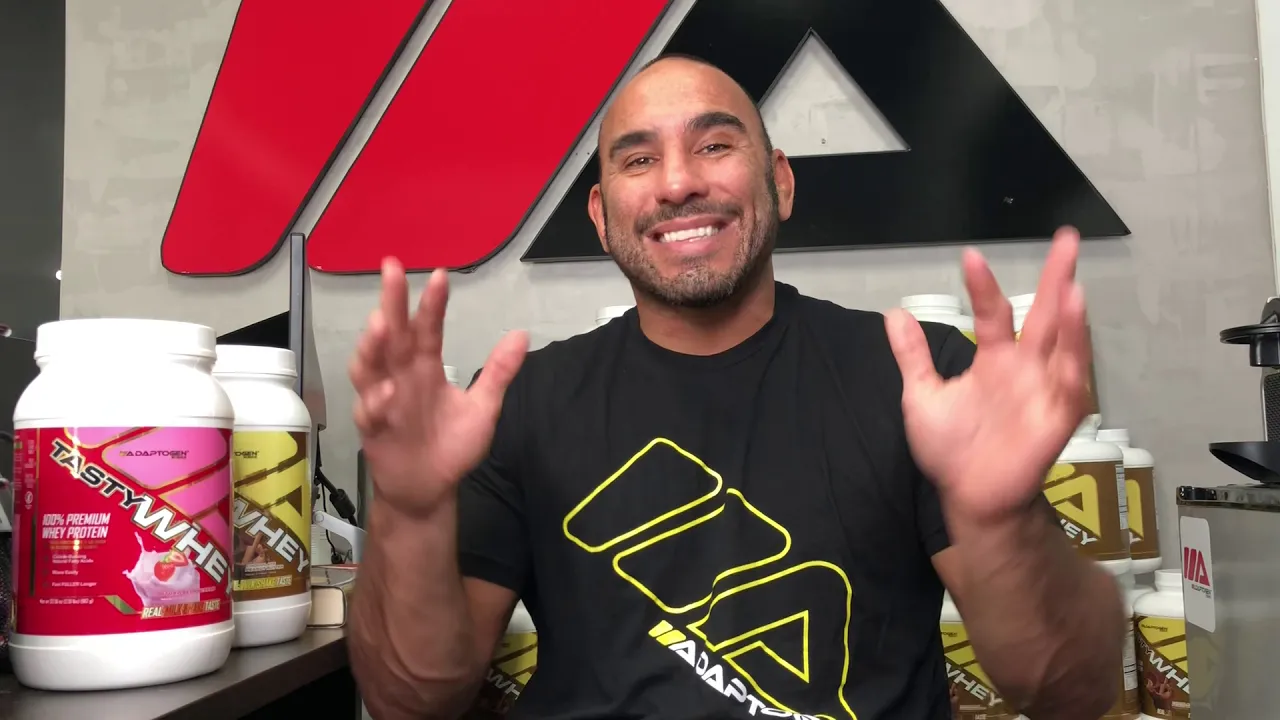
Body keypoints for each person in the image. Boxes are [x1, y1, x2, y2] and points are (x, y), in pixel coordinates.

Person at [346, 54, 1125, 720]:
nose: (678, 182)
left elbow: (1073, 692)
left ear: (779, 183)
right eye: (638, 160)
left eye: (714, 144)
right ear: (602, 216)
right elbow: (411, 701)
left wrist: (998, 520)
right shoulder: (523, 404)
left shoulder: (919, 379)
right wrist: (408, 514)